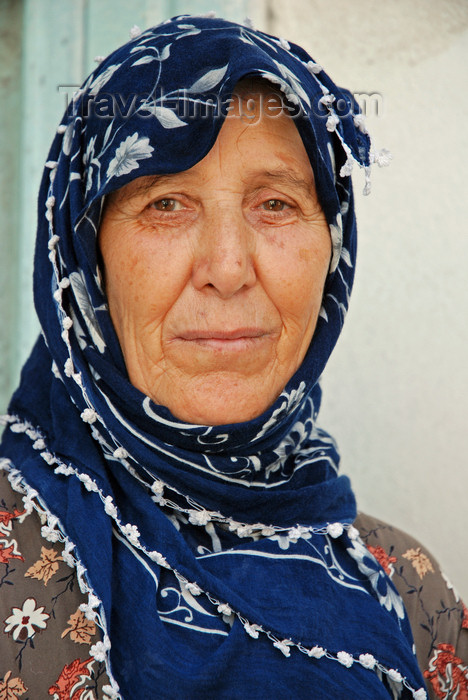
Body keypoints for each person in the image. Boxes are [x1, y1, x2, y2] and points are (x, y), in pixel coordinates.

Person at [0, 14, 466, 700]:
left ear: (330, 251)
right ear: (89, 262)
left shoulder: (410, 593)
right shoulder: (17, 552)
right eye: (166, 203)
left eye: (275, 203)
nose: (227, 267)